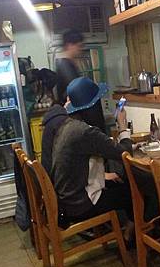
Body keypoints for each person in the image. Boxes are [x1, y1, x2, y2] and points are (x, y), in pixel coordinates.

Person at [50, 77, 134, 237]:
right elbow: (125, 153)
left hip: (66, 200)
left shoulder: (67, 126)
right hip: (80, 205)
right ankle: (130, 235)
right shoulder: (85, 132)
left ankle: (127, 232)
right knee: (133, 191)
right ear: (93, 106)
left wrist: (103, 175)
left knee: (118, 182)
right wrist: (123, 126)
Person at [55, 29, 105, 132]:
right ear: (69, 45)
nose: (80, 49)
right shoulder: (64, 66)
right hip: (78, 118)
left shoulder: (67, 64)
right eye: (79, 46)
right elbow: (78, 93)